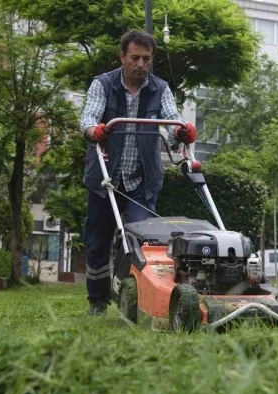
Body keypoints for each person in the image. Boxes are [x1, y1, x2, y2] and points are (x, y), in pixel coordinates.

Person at [79, 29, 197, 315]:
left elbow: (171, 118)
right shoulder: (103, 85)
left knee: (140, 246)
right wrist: (94, 130)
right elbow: (88, 116)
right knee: (97, 242)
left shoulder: (160, 89)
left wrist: (181, 130)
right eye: (135, 58)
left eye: (146, 59)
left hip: (141, 185)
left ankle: (133, 299)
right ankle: (97, 301)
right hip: (104, 181)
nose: (141, 64)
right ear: (122, 56)